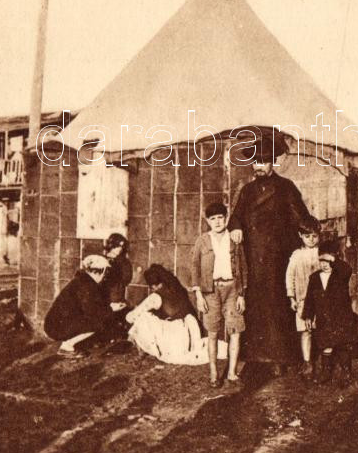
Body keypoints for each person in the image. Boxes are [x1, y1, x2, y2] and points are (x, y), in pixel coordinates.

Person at [228, 135, 311, 372]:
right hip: (254, 258)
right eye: (255, 162)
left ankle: (279, 359)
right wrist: (235, 227)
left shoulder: (286, 187)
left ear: (272, 163)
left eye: (263, 162)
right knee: (255, 307)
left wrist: (309, 238)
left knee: (277, 307)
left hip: (277, 258)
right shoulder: (247, 191)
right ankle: (254, 357)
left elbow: (300, 217)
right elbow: (236, 216)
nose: (259, 166)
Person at [191, 202, 247, 388]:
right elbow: (195, 267)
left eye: (220, 218)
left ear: (226, 218)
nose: (217, 222)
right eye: (213, 219)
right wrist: (199, 295)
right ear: (207, 221)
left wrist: (241, 294)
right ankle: (214, 373)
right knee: (213, 332)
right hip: (211, 291)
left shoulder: (234, 239)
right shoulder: (202, 241)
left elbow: (243, 267)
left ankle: (231, 372)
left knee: (235, 331)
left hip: (232, 290)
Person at [126, 264, 227, 366]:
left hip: (177, 339)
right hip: (191, 334)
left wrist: (133, 309)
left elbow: (130, 317)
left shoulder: (156, 297)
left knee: (142, 318)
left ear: (154, 286)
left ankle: (142, 352)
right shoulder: (178, 289)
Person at [302, 241, 358, 386]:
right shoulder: (314, 278)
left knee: (343, 345)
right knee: (325, 345)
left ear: (334, 259)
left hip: (341, 318)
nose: (324, 264)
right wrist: (308, 316)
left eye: (328, 261)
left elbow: (347, 269)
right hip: (323, 318)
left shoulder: (340, 274)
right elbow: (309, 299)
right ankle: (326, 372)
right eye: (321, 260)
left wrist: (334, 259)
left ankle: (346, 372)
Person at [44, 255, 116, 356]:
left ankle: (74, 343)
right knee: (97, 321)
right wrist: (111, 309)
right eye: (105, 272)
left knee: (95, 319)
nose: (105, 276)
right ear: (99, 272)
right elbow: (91, 311)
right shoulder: (87, 286)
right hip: (57, 327)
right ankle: (66, 347)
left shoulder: (82, 280)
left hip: (55, 323)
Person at [285, 216, 321, 378]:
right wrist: (291, 297)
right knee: (305, 331)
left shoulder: (322, 254)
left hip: (320, 300)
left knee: (321, 329)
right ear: (300, 235)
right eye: (307, 236)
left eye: (314, 236)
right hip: (303, 300)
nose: (311, 240)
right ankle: (307, 362)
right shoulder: (297, 255)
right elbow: (290, 276)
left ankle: (323, 360)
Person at [102, 232, 133, 309]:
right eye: (118, 246)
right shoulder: (101, 259)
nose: (120, 249)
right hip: (103, 295)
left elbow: (127, 279)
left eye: (122, 246)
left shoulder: (124, 262)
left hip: (117, 295)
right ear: (111, 245)